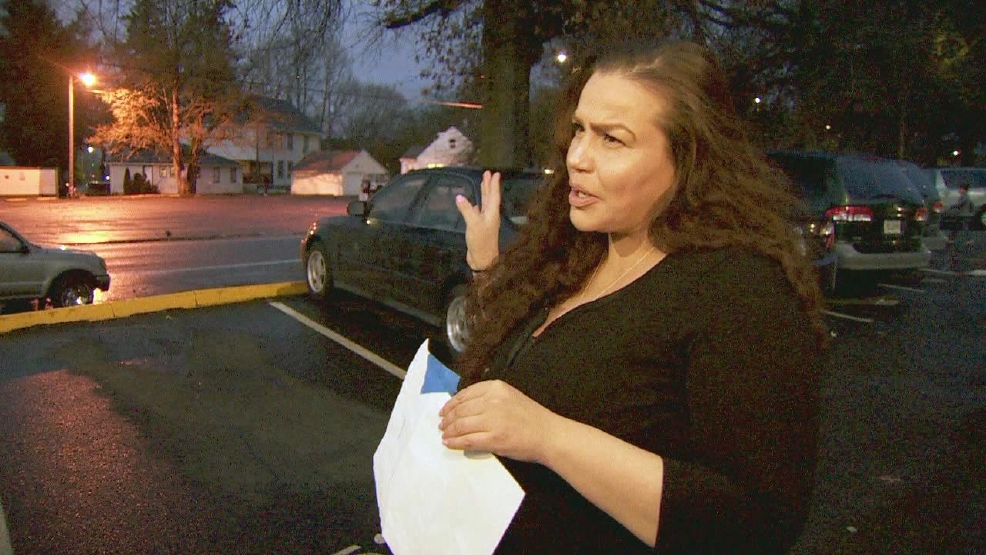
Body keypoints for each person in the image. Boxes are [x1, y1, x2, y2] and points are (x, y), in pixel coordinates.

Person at [442, 39, 827, 554]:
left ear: (688, 159)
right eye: (579, 129)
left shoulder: (738, 292)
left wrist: (548, 437)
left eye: (612, 139)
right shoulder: (580, 252)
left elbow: (756, 521)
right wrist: (487, 265)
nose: (577, 157)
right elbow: (531, 352)